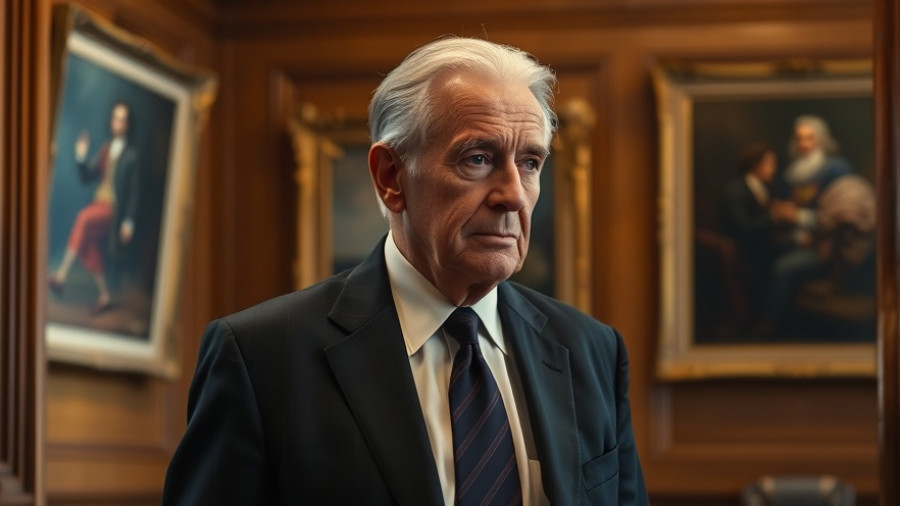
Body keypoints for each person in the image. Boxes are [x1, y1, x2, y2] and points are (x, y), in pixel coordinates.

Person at [162, 38, 648, 505]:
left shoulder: (592, 351)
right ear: (391, 177)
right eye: (478, 159)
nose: (514, 195)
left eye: (529, 162)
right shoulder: (260, 357)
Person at [759, 114, 853, 335]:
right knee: (761, 257)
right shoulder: (790, 173)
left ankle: (767, 327)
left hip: (825, 246)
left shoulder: (835, 170)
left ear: (820, 139)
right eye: (799, 138)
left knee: (783, 269)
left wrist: (799, 217)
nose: (803, 144)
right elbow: (781, 207)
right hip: (794, 239)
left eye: (809, 138)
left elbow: (842, 213)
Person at [48, 100, 140, 314]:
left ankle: (61, 275)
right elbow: (86, 177)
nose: (118, 123)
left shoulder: (132, 156)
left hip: (113, 210)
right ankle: (105, 295)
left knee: (83, 218)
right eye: (116, 118)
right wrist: (80, 155)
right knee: (87, 243)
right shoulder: (106, 149)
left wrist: (129, 221)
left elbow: (134, 191)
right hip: (98, 203)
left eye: (123, 119)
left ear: (128, 124)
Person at [717, 142, 789, 325]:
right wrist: (774, 217)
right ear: (756, 164)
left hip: (758, 249)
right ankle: (765, 321)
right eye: (770, 163)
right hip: (742, 254)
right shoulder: (735, 191)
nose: (773, 169)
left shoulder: (762, 188)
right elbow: (743, 228)